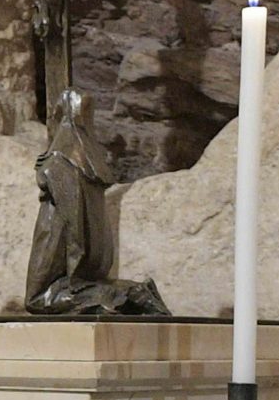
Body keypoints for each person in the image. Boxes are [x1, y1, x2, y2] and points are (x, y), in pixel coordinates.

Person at [24, 88, 170, 316]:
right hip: (83, 259)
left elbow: (75, 222)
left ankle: (121, 294)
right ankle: (132, 292)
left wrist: (76, 270)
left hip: (57, 244)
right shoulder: (87, 157)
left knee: (39, 299)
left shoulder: (61, 160)